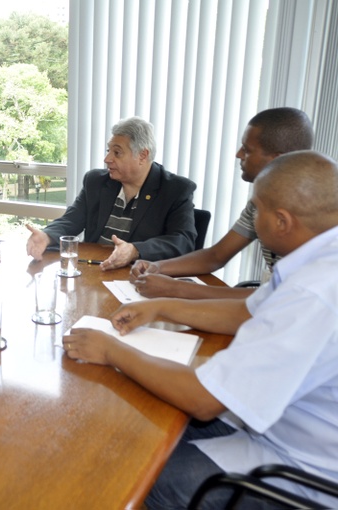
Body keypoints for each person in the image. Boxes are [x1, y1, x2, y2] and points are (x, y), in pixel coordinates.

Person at [63, 150, 338, 508]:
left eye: (257, 210)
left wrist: (110, 350)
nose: (253, 220)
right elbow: (247, 311)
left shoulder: (312, 293)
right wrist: (160, 306)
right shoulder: (319, 261)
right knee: (137, 427)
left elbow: (204, 400)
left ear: (282, 221)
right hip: (281, 421)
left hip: (299, 469)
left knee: (132, 472)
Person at [130, 107, 314, 299]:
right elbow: (216, 256)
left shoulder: (312, 212)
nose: (238, 154)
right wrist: (157, 267)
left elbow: (285, 297)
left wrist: (176, 288)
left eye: (247, 150)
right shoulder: (261, 202)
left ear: (278, 159)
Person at [26, 117, 197, 270]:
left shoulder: (175, 190)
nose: (107, 159)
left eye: (117, 152)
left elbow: (183, 240)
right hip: (92, 271)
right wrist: (47, 236)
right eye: (108, 151)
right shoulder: (96, 182)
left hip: (137, 277)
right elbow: (71, 220)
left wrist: (135, 250)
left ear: (142, 156)